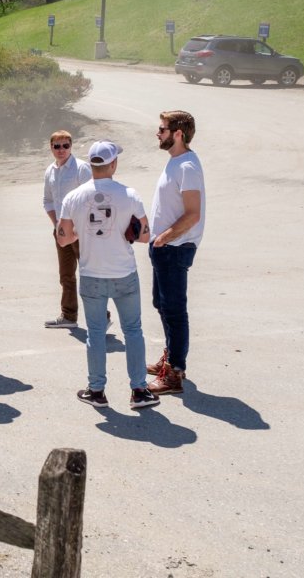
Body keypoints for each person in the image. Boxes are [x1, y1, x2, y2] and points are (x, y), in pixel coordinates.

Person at [56, 141, 160, 410]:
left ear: (91, 165)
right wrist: (127, 231)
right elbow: (145, 235)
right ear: (113, 164)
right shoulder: (130, 194)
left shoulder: (73, 197)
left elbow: (63, 238)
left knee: (96, 333)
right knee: (133, 330)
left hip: (91, 273)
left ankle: (97, 389)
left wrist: (80, 231)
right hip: (123, 271)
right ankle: (139, 390)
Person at [147, 110, 206, 395]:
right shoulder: (175, 162)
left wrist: (166, 237)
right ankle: (170, 357)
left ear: (178, 134)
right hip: (164, 246)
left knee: (174, 310)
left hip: (175, 247)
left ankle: (175, 373)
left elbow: (193, 214)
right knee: (162, 304)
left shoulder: (187, 166)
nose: (158, 133)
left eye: (162, 129)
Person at [42, 130, 92, 328]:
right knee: (66, 275)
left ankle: (101, 316)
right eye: (57, 146)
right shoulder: (50, 171)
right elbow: (47, 201)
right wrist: (57, 224)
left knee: (89, 274)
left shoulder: (82, 168)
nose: (61, 150)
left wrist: (80, 228)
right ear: (51, 148)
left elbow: (91, 198)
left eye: (65, 146)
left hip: (81, 230)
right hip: (61, 231)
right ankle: (69, 316)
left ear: (71, 146)